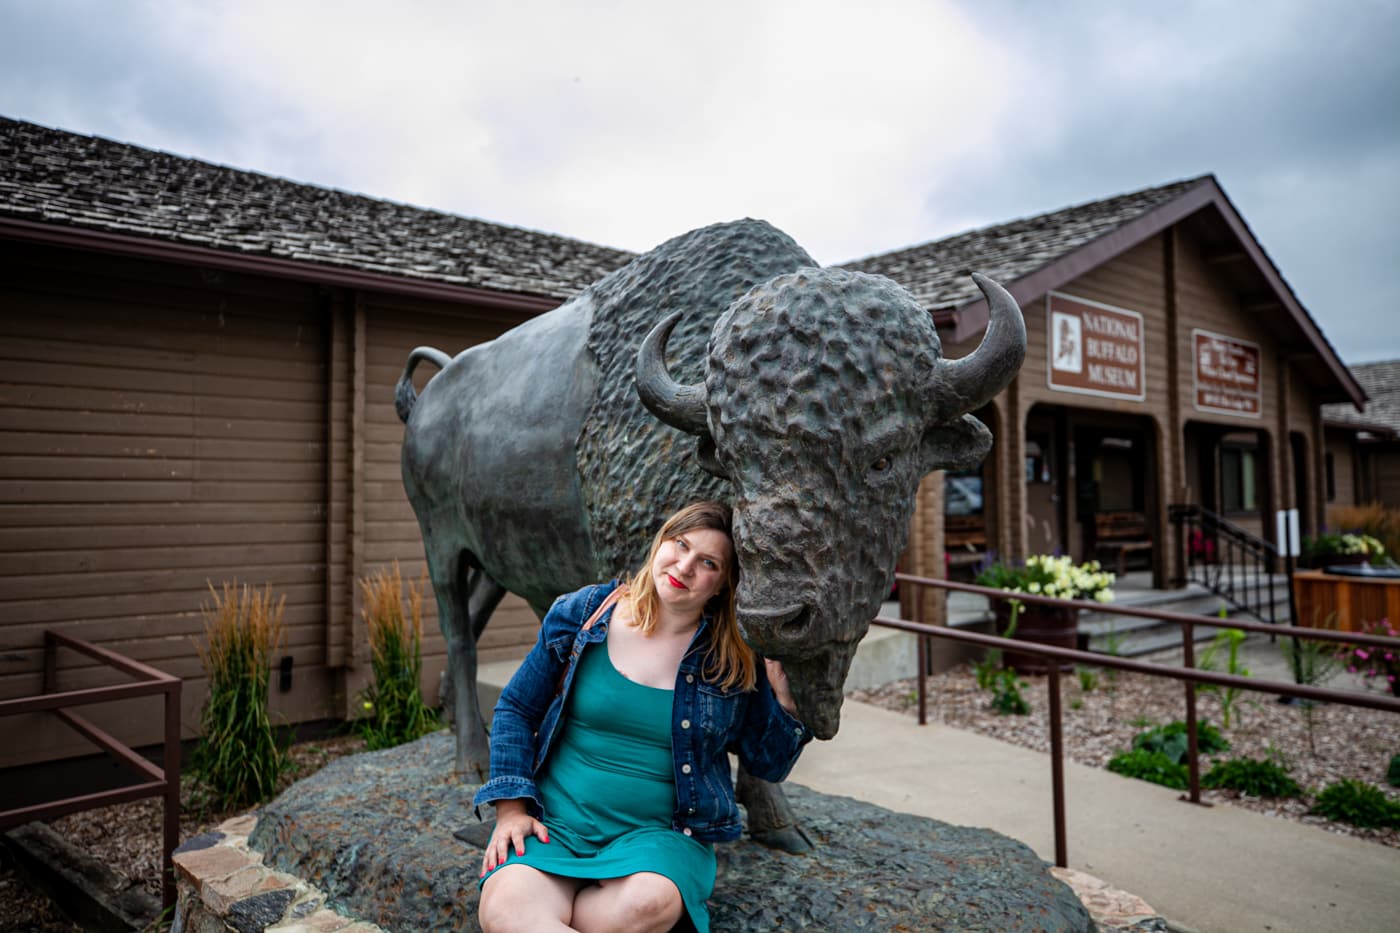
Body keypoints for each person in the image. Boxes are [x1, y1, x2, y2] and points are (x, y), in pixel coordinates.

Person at [474, 501, 812, 933]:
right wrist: (510, 812)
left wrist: (786, 708)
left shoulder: (733, 658)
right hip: (554, 823)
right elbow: (517, 709)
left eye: (707, 562)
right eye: (680, 544)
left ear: (725, 583)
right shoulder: (583, 614)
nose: (684, 566)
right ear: (661, 542)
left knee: (648, 905)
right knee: (505, 909)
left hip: (659, 839)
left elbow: (768, 764)